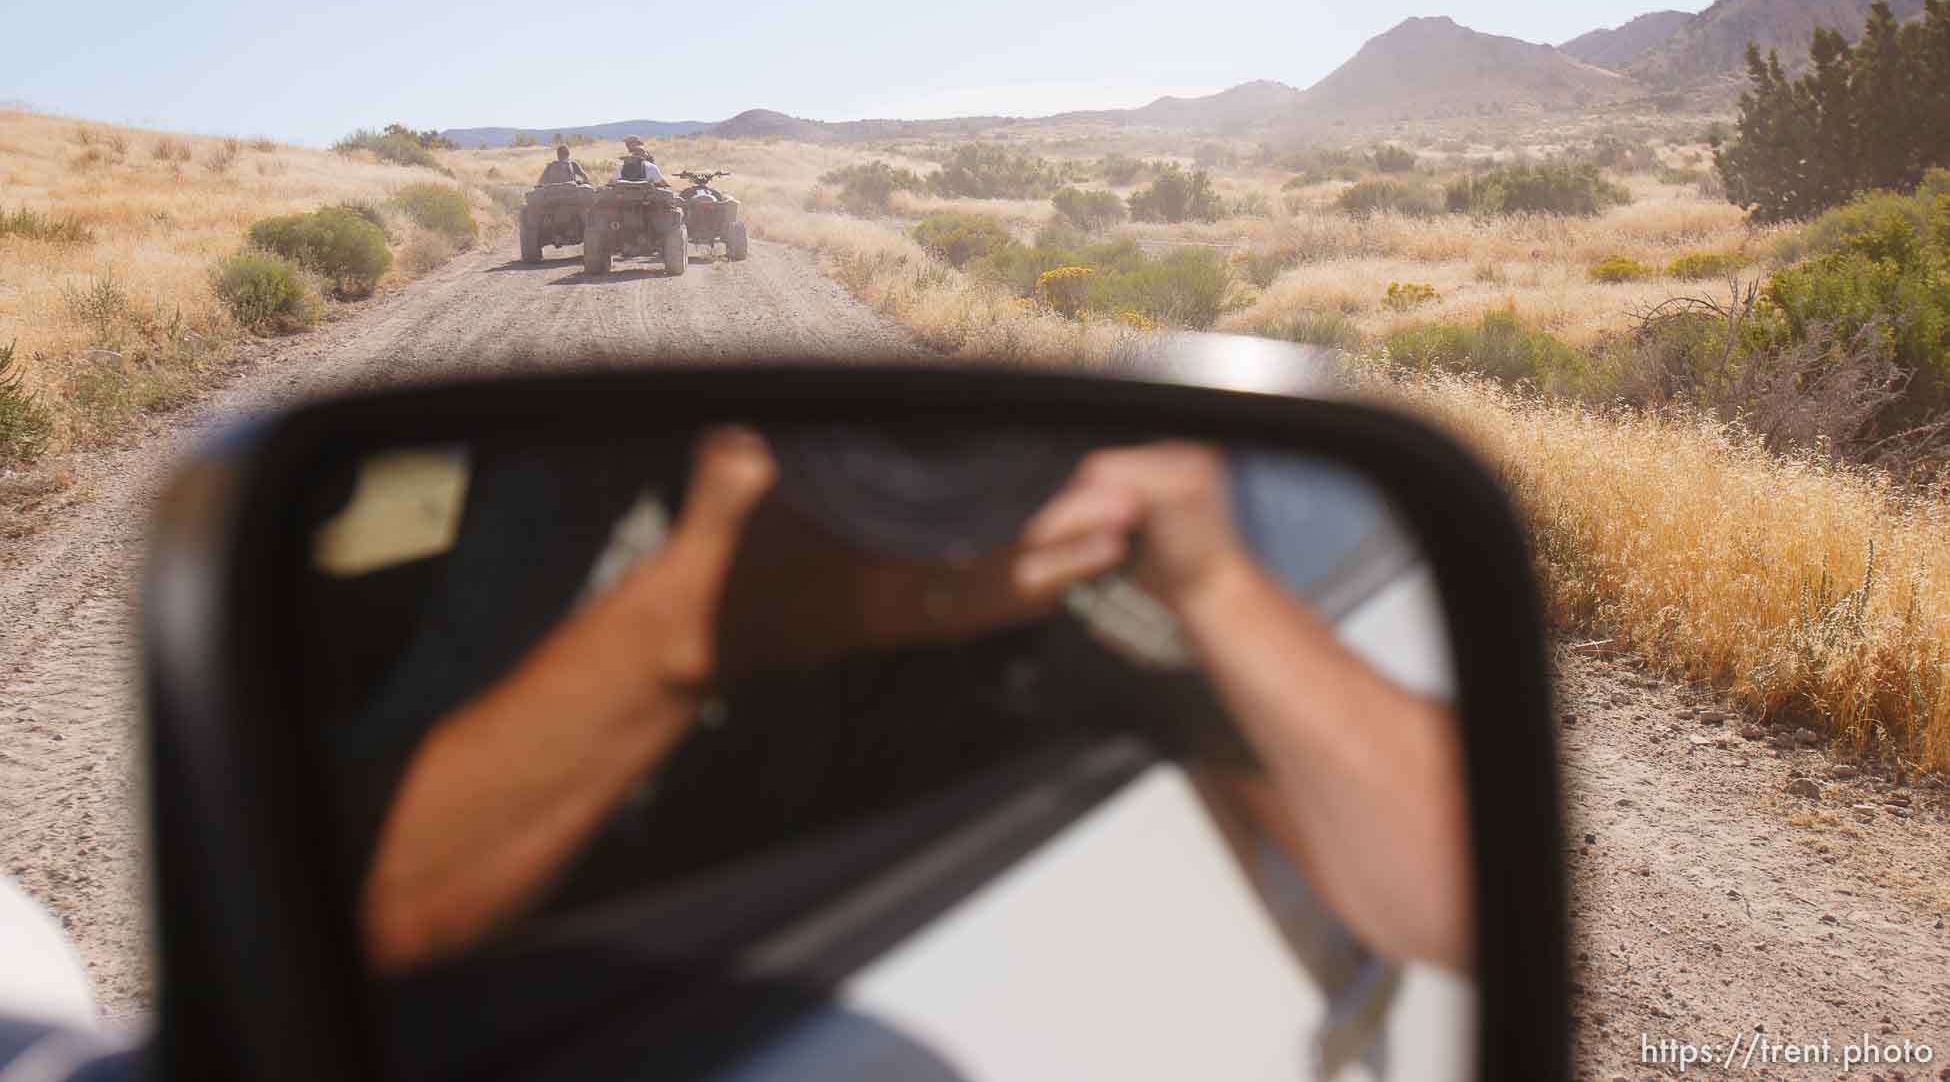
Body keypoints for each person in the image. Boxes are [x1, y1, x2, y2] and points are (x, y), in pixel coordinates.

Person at [350, 431, 1473, 981]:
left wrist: (1212, 578)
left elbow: (1456, 899)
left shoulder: (1072, 603)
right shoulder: (609, 496)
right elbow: (356, 913)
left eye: (975, 445)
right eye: (849, 445)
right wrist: (699, 615)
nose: (922, 486)